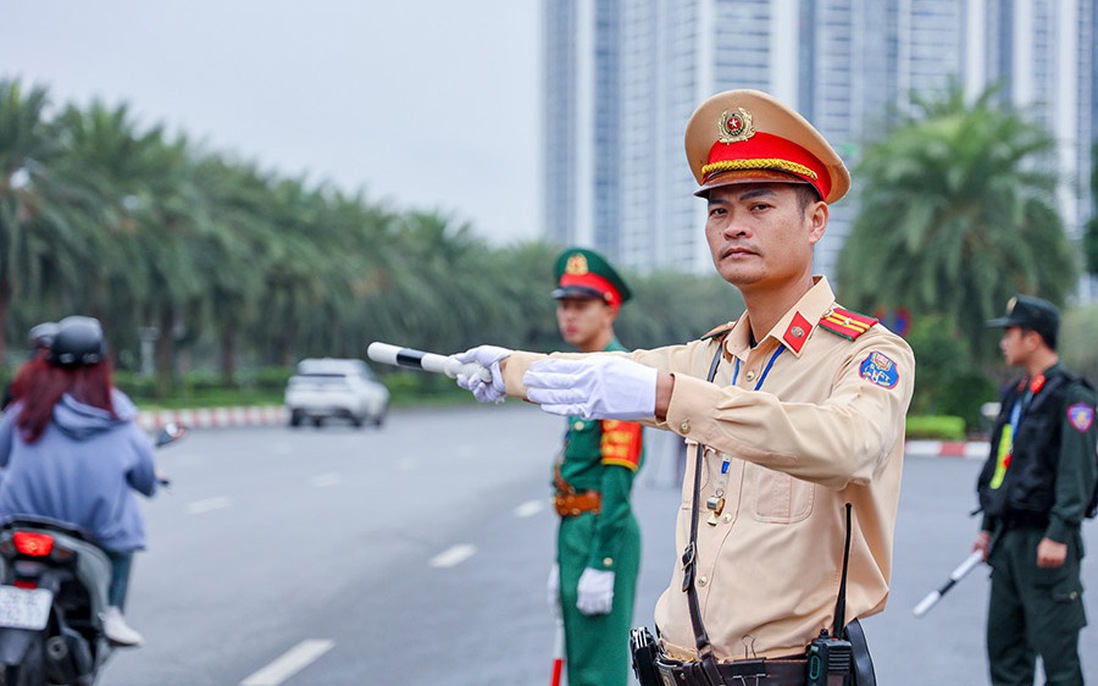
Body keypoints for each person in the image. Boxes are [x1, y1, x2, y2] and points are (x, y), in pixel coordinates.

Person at [454, 89, 914, 684]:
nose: (734, 227)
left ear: (816, 221)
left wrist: (673, 397)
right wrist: (509, 369)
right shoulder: (712, 356)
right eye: (719, 211)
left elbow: (850, 445)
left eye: (759, 206)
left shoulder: (867, 353)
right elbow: (608, 372)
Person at [0, 315, 159, 647]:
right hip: (91, 532)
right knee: (126, 525)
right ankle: (112, 613)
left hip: (18, 525)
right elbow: (145, 480)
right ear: (102, 363)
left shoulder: (25, 408)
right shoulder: (117, 415)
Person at [975, 295, 1096, 686]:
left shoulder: (1073, 397)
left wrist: (1059, 533)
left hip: (1047, 544)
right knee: (1005, 655)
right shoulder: (1017, 393)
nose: (1003, 342)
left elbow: (1078, 471)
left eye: (1009, 333)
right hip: (1008, 541)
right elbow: (1004, 468)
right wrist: (988, 526)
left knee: (1060, 663)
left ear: (1033, 339)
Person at [546, 247, 645, 686]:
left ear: (610, 310)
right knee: (581, 665)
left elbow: (617, 479)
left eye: (581, 305)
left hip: (603, 529)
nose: (569, 315)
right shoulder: (587, 371)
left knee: (599, 673)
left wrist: (603, 561)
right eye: (564, 305)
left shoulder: (616, 373)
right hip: (576, 530)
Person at [1, 321, 59, 411]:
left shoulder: (67, 383)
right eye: (41, 350)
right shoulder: (20, 384)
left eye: (48, 350)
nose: (44, 355)